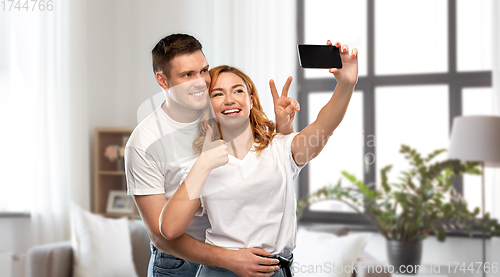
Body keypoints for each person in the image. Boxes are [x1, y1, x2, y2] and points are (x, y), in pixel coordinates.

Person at [159, 40, 358, 277]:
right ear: (208, 106)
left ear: (251, 100)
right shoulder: (201, 162)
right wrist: (204, 164)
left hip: (275, 270)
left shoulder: (281, 148)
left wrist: (345, 86)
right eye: (218, 93)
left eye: (238, 90)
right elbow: (169, 229)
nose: (229, 99)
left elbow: (323, 127)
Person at [125, 33, 299, 277]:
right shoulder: (144, 143)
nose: (201, 82)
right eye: (187, 75)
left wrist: (285, 128)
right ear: (163, 81)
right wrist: (229, 259)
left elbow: (274, 163)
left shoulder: (223, 108)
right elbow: (160, 235)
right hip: (179, 263)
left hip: (236, 256)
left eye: (203, 70)